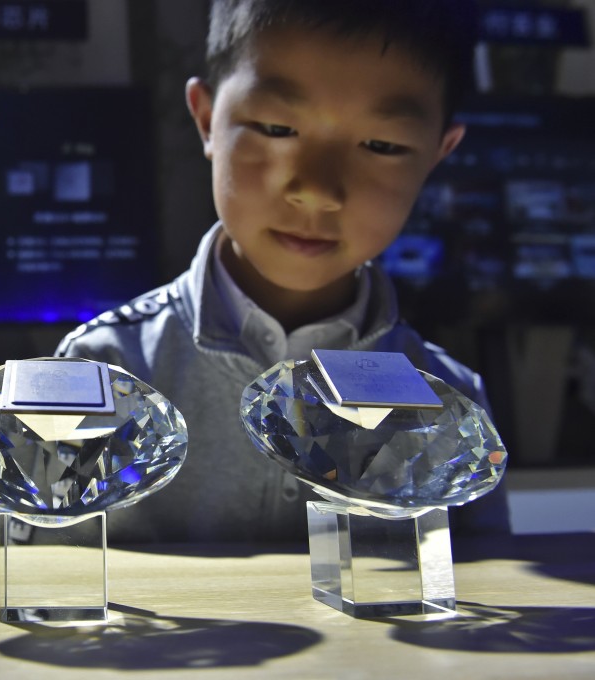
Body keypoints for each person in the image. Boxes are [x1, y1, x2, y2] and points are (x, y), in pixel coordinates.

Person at [56, 0, 510, 543]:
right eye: (276, 127)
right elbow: (58, 596)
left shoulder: (452, 404)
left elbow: (481, 602)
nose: (316, 190)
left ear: (439, 152)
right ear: (206, 118)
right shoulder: (102, 373)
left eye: (382, 145)